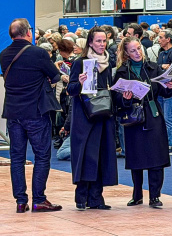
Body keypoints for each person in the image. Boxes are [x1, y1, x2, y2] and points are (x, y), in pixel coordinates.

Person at [0, 18, 63, 213]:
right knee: (42, 156)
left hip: (13, 112)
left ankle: (20, 201)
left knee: (17, 158)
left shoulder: (3, 54)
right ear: (28, 32)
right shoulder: (38, 53)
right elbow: (55, 76)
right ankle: (39, 200)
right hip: (35, 112)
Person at [113, 37, 172, 206]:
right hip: (133, 117)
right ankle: (137, 194)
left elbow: (163, 92)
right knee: (136, 156)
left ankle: (155, 196)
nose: (137, 53)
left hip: (153, 115)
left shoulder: (153, 67)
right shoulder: (121, 72)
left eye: (139, 48)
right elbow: (116, 98)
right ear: (126, 53)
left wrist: (169, 87)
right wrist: (125, 98)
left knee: (157, 156)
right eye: (133, 50)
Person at [66, 27, 118, 210]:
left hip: (104, 114)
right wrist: (79, 83)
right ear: (90, 42)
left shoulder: (108, 63)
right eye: (98, 41)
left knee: (102, 155)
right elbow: (70, 90)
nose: (102, 44)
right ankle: (81, 197)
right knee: (85, 155)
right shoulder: (80, 63)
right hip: (84, 116)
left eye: (104, 41)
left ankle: (96, 198)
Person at [156, 29, 172, 154]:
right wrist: (162, 67)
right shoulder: (161, 53)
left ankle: (171, 145)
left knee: (168, 118)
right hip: (160, 88)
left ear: (168, 39)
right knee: (162, 119)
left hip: (170, 90)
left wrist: (161, 68)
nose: (159, 40)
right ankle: (163, 144)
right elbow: (157, 69)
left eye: (161, 37)